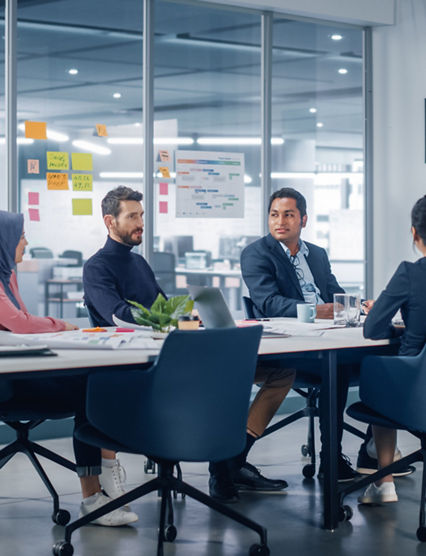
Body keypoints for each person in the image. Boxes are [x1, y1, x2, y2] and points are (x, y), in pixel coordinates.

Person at [84, 186, 296, 503]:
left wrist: (189, 316)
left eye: (141, 215)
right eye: (132, 216)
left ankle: (233, 458)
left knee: (279, 371)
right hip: (142, 368)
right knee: (222, 380)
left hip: (172, 355)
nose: (140, 222)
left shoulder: (139, 263)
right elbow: (120, 315)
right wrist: (166, 318)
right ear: (109, 222)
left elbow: (163, 306)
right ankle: (225, 472)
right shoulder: (97, 267)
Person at [0, 210, 137, 526]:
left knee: (93, 382)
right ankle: (94, 497)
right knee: (90, 389)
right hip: (7, 383)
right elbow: (19, 324)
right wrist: (58, 325)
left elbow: (21, 328)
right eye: (20, 236)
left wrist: (50, 331)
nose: (26, 242)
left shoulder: (7, 275)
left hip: (21, 369)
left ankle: (101, 486)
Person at [241, 187, 358, 481]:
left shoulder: (316, 254)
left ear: (303, 220)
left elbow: (334, 292)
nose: (280, 221)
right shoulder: (256, 254)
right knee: (339, 368)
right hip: (291, 349)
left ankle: (367, 452)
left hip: (329, 337)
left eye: (289, 215)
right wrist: (318, 310)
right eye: (274, 215)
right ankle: (332, 461)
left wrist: (358, 305)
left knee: (378, 362)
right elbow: (268, 303)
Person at [358, 194, 426, 505]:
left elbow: (372, 330)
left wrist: (388, 318)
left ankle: (384, 482)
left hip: (413, 391)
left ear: (414, 233)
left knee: (381, 372)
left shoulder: (410, 274)